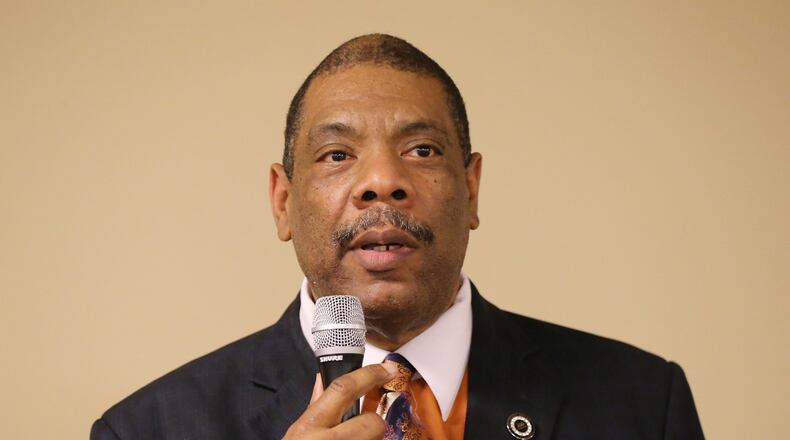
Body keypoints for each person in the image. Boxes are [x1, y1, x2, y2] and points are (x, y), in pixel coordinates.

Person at [91, 34, 704, 440]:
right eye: (337, 154)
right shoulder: (147, 430)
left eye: (422, 150)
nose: (383, 181)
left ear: (471, 190)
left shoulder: (644, 405)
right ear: (283, 201)